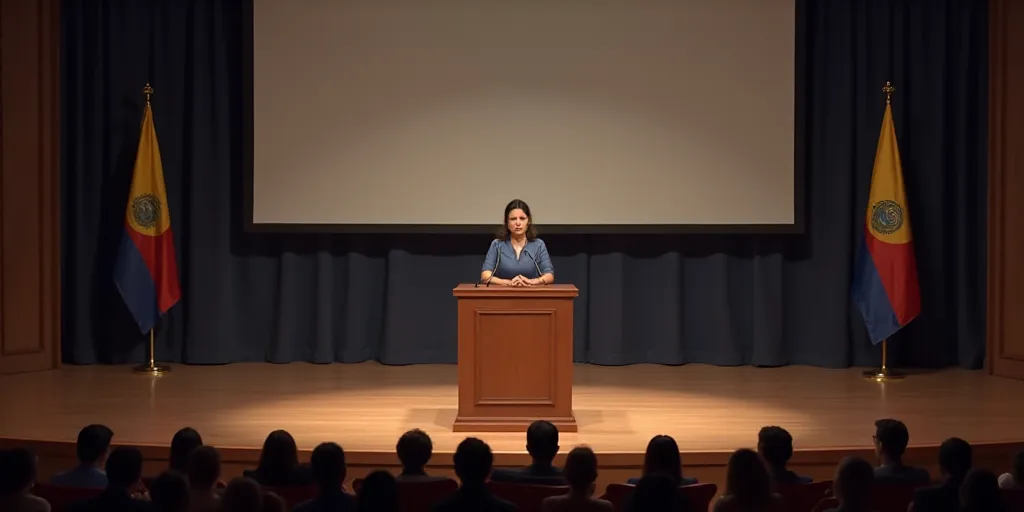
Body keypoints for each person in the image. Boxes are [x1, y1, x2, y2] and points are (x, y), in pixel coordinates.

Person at [480, 199, 554, 287]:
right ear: (507, 222)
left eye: (522, 218)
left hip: (532, 296)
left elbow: (549, 276)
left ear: (528, 221)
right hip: (502, 296)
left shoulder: (538, 245)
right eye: (513, 219)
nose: (518, 223)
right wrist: (508, 283)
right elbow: (485, 276)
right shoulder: (497, 245)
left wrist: (531, 282)